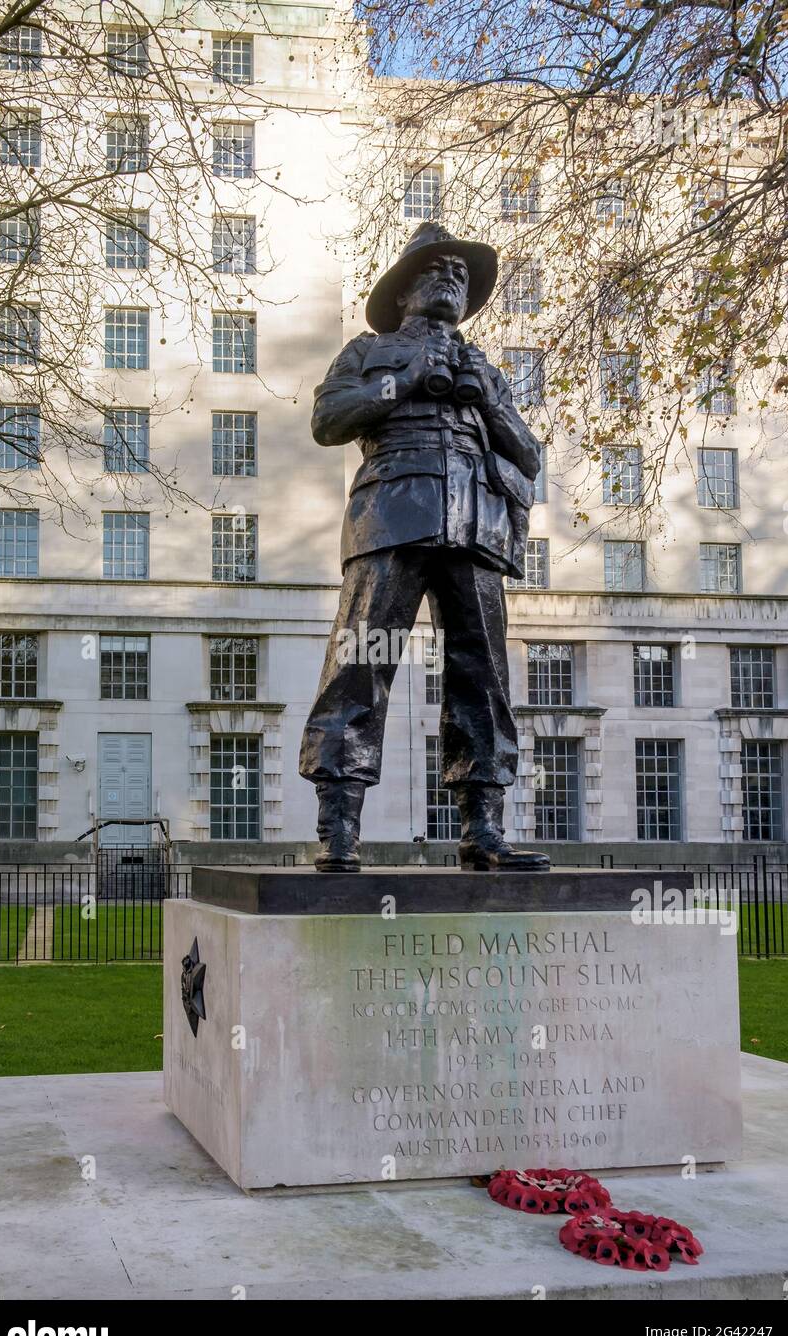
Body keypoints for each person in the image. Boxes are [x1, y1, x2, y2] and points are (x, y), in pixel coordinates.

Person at [299, 221, 550, 874]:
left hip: (476, 529)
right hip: (392, 516)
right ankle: (340, 832)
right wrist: (405, 379)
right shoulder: (368, 351)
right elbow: (329, 420)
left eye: (462, 275)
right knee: (361, 664)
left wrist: (487, 405)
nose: (453, 279)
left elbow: (529, 454)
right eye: (437, 269)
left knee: (482, 677)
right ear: (404, 289)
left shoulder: (486, 371)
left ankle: (483, 833)